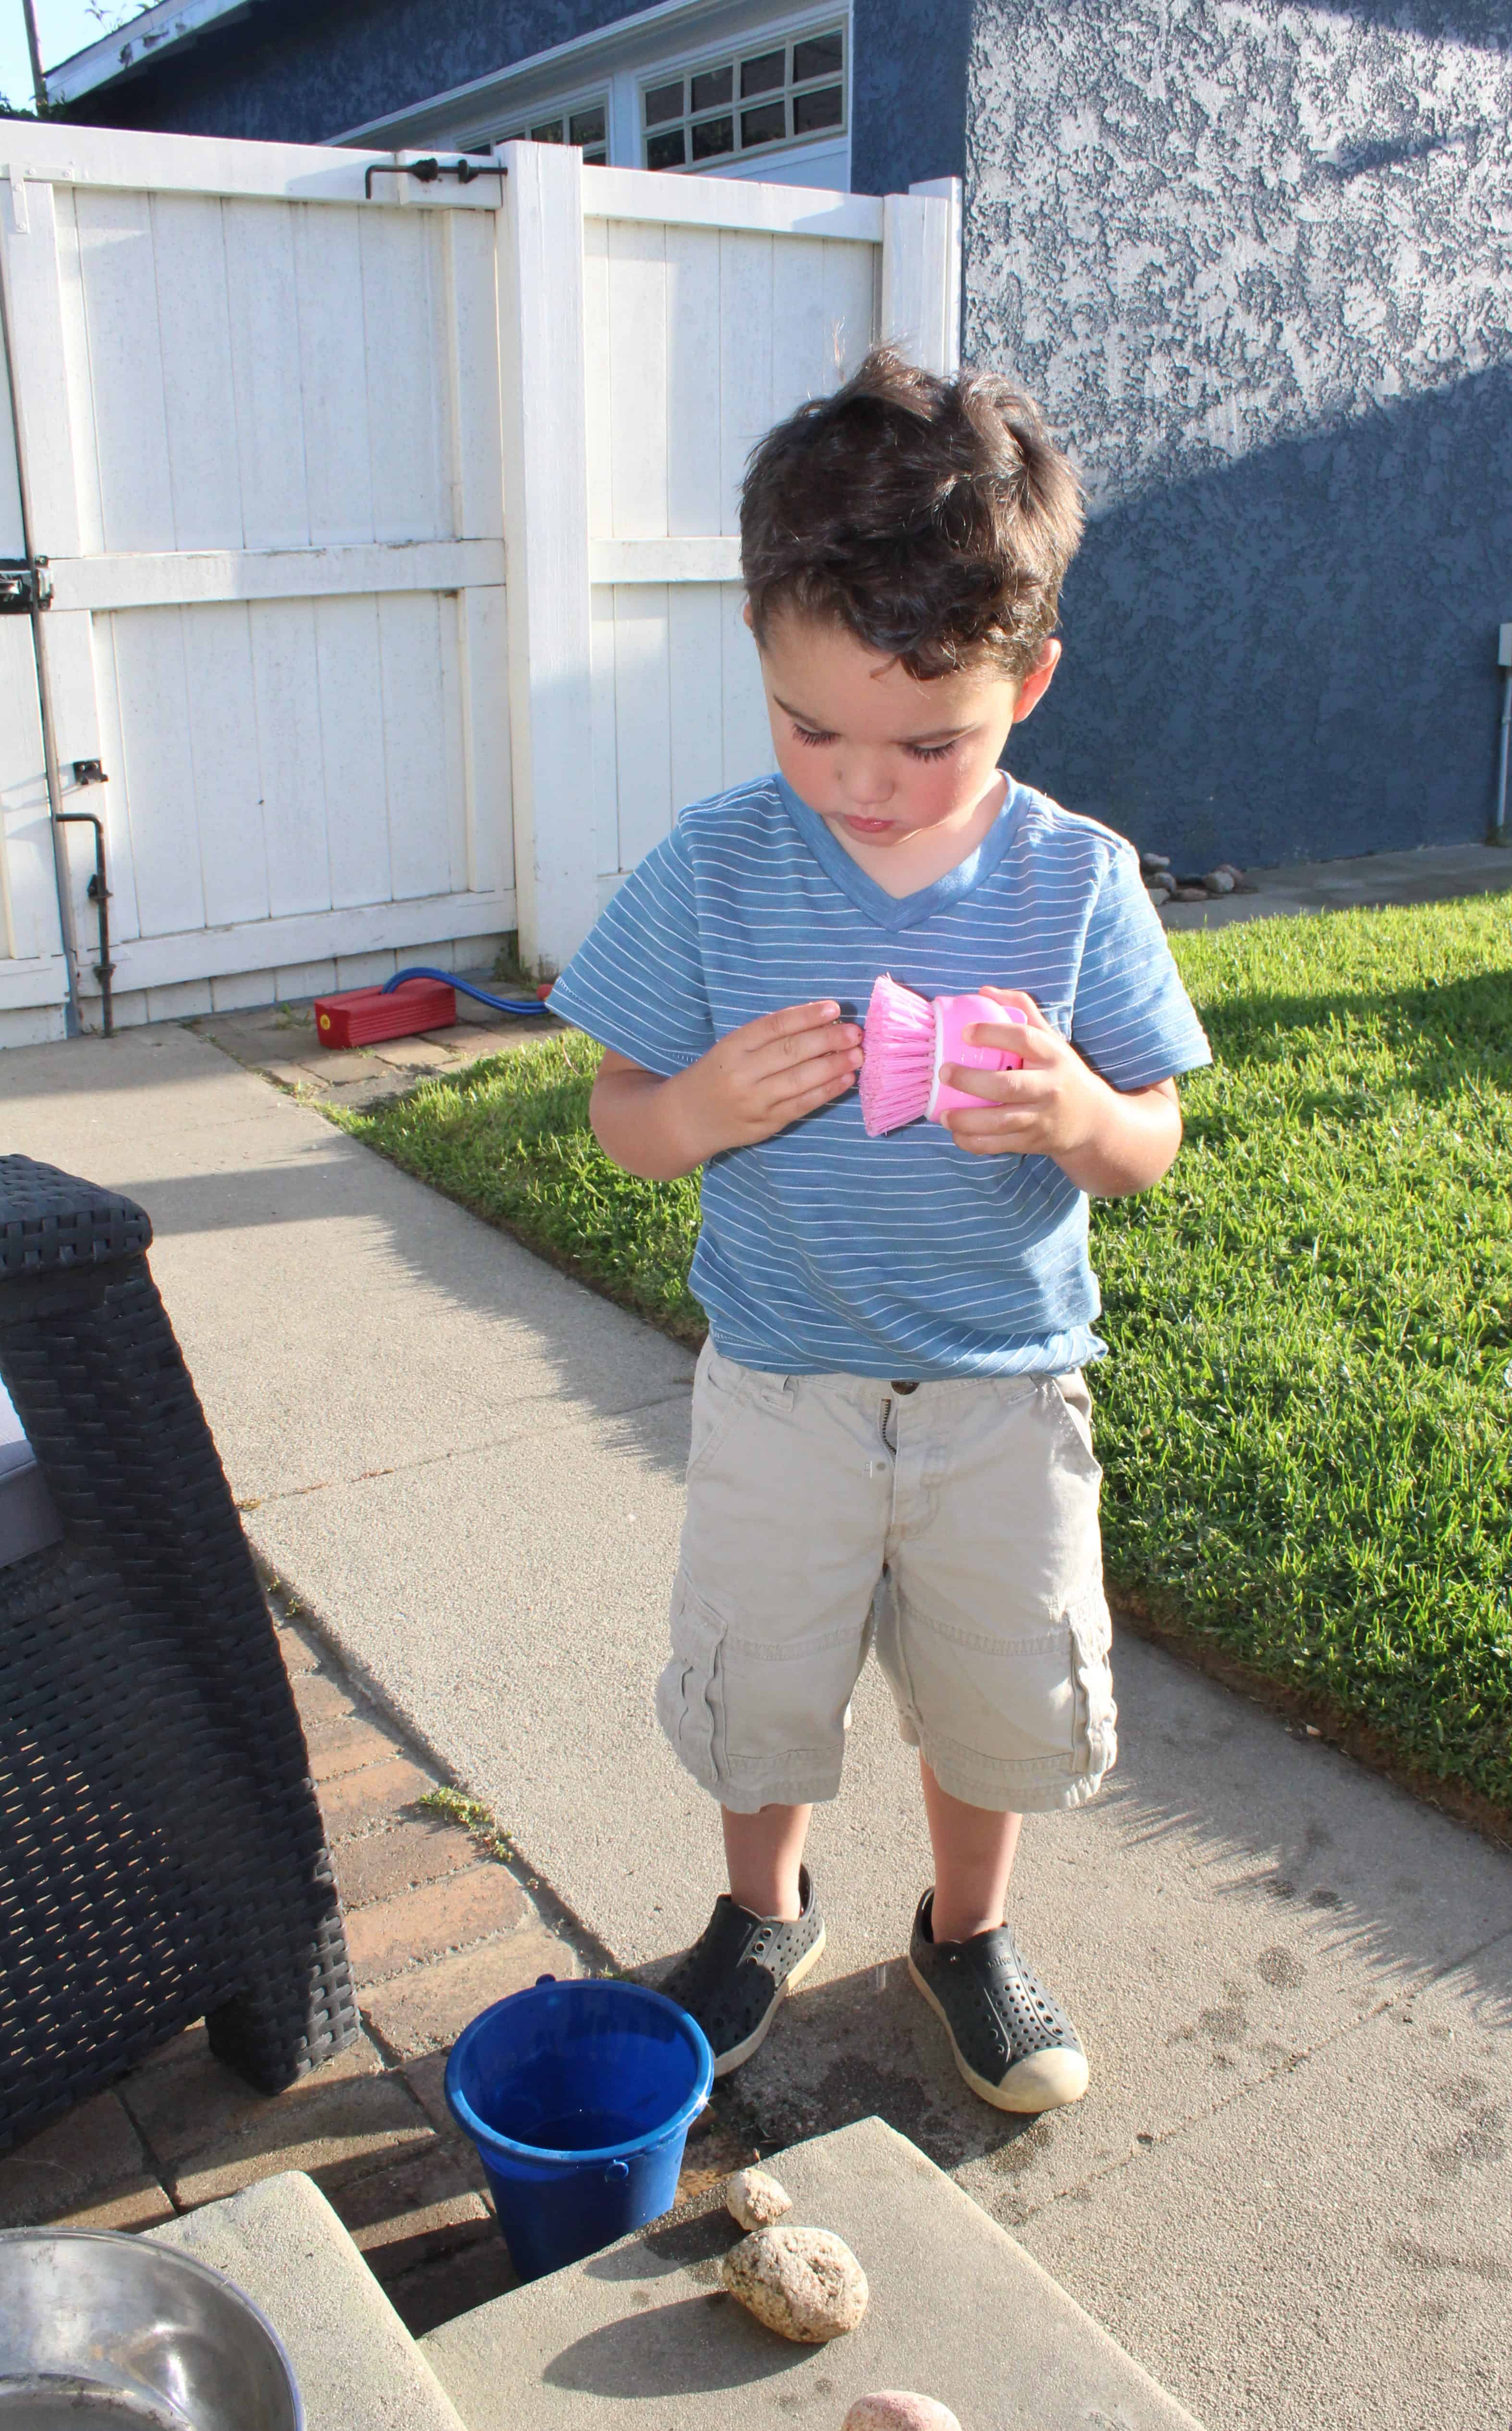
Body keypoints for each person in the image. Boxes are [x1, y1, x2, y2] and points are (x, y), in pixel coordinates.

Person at [552, 347, 1211, 2114]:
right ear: (760, 662)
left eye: (929, 742)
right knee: (761, 1677)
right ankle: (760, 1911)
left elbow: (1152, 1136)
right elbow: (621, 1117)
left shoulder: (1076, 880)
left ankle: (968, 1933)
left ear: (1031, 684)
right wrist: (696, 1112)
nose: (861, 783)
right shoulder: (715, 867)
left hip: (1003, 1391)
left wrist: (1079, 1115)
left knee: (997, 1691)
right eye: (810, 728)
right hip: (781, 1384)